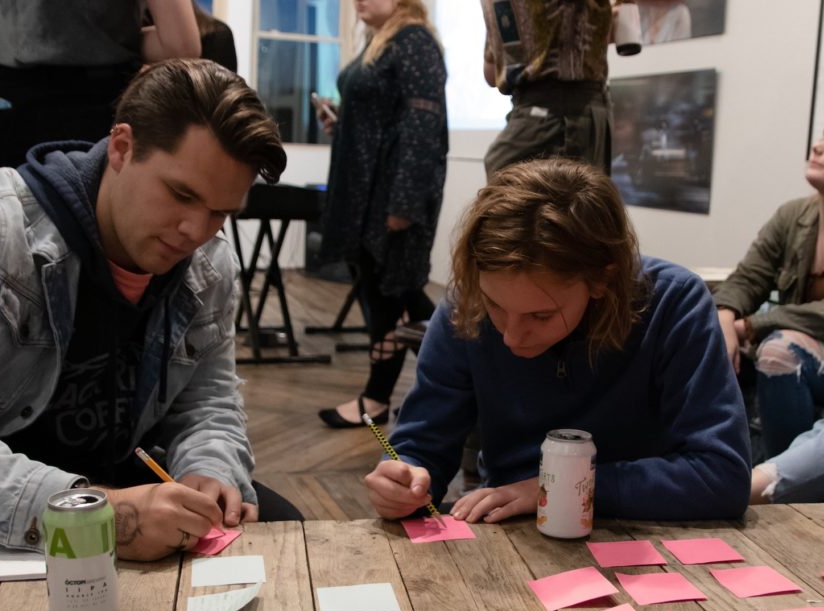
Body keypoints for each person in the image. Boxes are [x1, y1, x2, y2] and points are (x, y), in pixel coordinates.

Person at [0, 59, 296, 562]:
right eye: (181, 194)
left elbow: (208, 404)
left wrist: (210, 468)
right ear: (121, 147)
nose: (195, 231)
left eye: (220, 212)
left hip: (117, 492)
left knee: (286, 532)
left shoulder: (210, 264)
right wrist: (92, 513)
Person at [364, 158, 751, 524]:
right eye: (496, 306)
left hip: (639, 531)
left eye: (541, 316)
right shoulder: (465, 305)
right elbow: (423, 445)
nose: (512, 337)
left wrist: (559, 490)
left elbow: (722, 476)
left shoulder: (674, 303)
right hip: (508, 527)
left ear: (602, 279)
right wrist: (403, 479)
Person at [315, 0, 447, 429]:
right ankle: (464, 385)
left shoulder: (414, 41)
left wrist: (404, 205)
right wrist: (342, 123)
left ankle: (380, 398)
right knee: (391, 295)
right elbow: (382, 118)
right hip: (370, 194)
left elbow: (424, 128)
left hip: (392, 196)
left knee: (395, 294)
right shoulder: (384, 41)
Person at [0, 0, 201, 174]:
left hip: (14, 106)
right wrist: (111, 42)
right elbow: (180, 45)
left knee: (6, 237)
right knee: (96, 245)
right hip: (101, 105)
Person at [715, 135, 824, 502]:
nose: (818, 146)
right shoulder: (795, 214)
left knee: (780, 353)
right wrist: (726, 316)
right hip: (801, 355)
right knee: (722, 344)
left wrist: (753, 325)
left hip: (800, 354)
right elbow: (749, 276)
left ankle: (776, 494)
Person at [480, 0, 615, 176]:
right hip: (556, 108)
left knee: (508, 185)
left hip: (563, 109)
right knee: (508, 186)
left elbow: (491, 72)